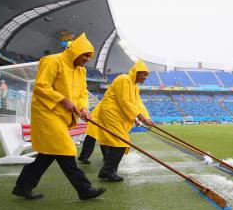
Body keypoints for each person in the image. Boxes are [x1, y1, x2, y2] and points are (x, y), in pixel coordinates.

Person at [12, 33, 106, 200]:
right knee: (66, 148)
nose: (87, 59)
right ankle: (84, 189)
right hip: (46, 113)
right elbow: (41, 86)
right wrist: (62, 100)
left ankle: (23, 186)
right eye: (85, 55)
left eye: (89, 56)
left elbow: (82, 92)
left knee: (48, 154)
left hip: (62, 116)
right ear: (75, 51)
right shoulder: (52, 61)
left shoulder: (81, 71)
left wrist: (83, 108)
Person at [97, 59, 152, 182]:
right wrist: (139, 116)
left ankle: (109, 171)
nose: (145, 78)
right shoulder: (124, 79)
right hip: (110, 112)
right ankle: (107, 170)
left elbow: (138, 103)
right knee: (122, 141)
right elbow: (124, 101)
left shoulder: (135, 87)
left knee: (119, 142)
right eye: (144, 74)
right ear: (137, 72)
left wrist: (147, 118)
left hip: (118, 115)